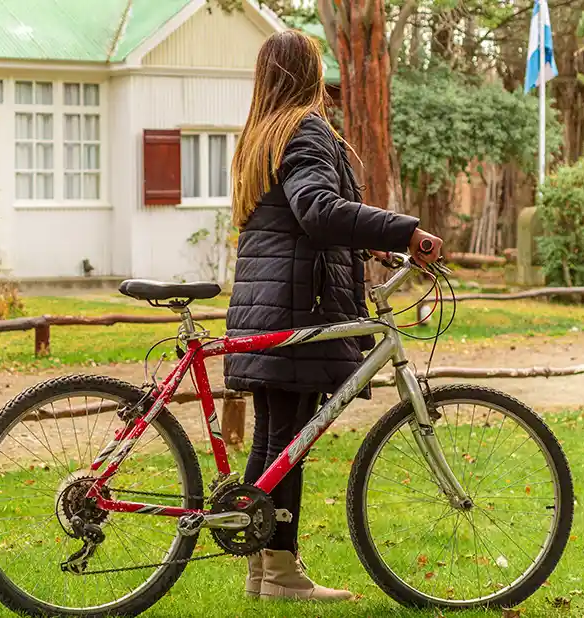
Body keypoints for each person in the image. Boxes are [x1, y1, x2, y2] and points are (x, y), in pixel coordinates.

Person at [224, 30, 443, 602]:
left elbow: (290, 219)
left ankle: (265, 570)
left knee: (276, 441)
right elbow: (318, 212)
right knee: (288, 442)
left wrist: (363, 246)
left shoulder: (261, 135)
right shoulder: (305, 128)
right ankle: (282, 575)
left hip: (268, 301)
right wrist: (402, 229)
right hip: (299, 305)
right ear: (309, 74)